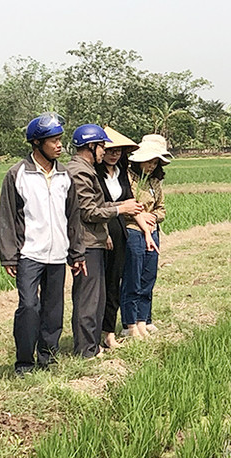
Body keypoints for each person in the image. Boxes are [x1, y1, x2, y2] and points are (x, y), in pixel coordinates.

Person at [0, 113, 86, 376]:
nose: (59, 145)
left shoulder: (64, 175)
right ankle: (24, 362)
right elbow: (7, 217)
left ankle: (48, 357)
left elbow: (73, 217)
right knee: (28, 306)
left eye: (60, 140)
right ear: (37, 143)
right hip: (29, 254)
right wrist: (9, 255)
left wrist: (77, 253)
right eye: (53, 141)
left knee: (53, 309)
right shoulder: (18, 174)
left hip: (57, 254)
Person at [66, 124, 142, 358]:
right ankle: (86, 349)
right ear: (91, 146)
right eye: (102, 147)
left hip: (94, 241)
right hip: (86, 242)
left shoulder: (86, 169)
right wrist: (120, 209)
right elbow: (88, 211)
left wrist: (121, 206)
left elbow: (97, 205)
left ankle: (92, 344)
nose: (104, 151)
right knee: (88, 297)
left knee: (96, 296)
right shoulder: (80, 172)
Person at [121, 134, 170, 338]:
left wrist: (153, 217)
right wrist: (142, 217)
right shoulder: (128, 178)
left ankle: (144, 319)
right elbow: (127, 206)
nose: (151, 165)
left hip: (153, 231)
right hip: (133, 231)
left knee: (148, 276)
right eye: (149, 161)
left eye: (155, 162)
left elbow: (162, 209)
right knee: (133, 277)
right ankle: (130, 323)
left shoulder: (155, 182)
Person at [96, 127, 139, 348]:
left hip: (119, 231)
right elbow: (95, 207)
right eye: (110, 150)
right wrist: (104, 232)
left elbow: (131, 203)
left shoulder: (122, 173)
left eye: (118, 151)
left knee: (114, 282)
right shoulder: (94, 174)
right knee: (98, 284)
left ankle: (109, 332)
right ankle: (92, 331)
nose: (114, 155)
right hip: (100, 232)